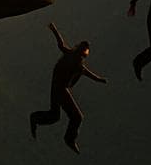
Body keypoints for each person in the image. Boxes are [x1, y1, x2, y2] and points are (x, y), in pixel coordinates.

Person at [30, 22, 107, 153]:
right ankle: (69, 139)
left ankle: (35, 118)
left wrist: (99, 79)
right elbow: (86, 72)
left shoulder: (72, 56)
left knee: (55, 115)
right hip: (60, 89)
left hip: (56, 87)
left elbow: (62, 46)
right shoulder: (75, 60)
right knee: (77, 117)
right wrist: (99, 79)